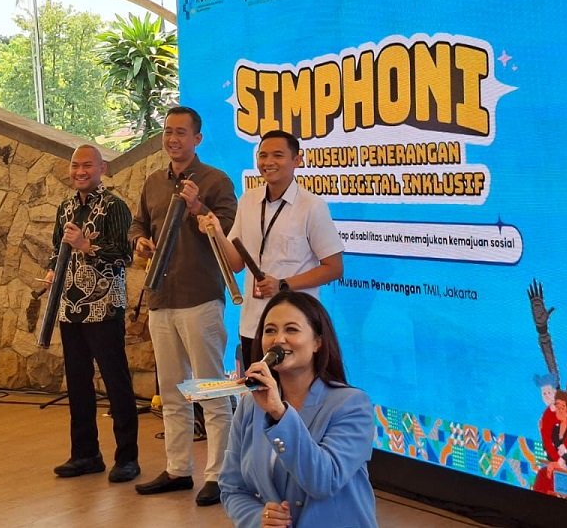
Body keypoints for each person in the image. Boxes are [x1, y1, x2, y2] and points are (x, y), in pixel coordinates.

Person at [128, 106, 238, 506]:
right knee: (173, 393)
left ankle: (221, 476)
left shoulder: (216, 181)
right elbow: (138, 223)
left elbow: (228, 232)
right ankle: (178, 470)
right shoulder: (154, 182)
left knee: (210, 390)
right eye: (167, 132)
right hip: (161, 298)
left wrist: (198, 209)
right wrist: (139, 241)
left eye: (180, 132)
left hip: (200, 297)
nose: (172, 139)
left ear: (197, 139)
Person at [220, 290, 378, 528]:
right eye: (270, 330)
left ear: (317, 342)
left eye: (291, 330)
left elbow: (324, 481)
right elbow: (232, 487)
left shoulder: (352, 405)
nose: (278, 339)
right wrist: (259, 518)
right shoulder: (250, 405)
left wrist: (279, 415)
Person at [200, 129, 343, 363]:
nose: (268, 162)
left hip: (295, 327)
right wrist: (216, 232)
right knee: (257, 385)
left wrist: (284, 285)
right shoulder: (248, 200)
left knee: (293, 387)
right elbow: (236, 263)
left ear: (297, 160)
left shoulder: (312, 206)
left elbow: (334, 268)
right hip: (253, 326)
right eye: (263, 155)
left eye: (278, 155)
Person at [45, 144, 140, 483]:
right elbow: (56, 249)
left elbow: (124, 256)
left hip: (104, 306)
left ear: (102, 169)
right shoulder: (66, 207)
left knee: (116, 382)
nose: (80, 171)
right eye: (75, 165)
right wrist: (51, 270)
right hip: (71, 307)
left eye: (87, 165)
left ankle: (127, 458)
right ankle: (85, 454)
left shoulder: (115, 206)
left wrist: (87, 247)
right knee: (78, 382)